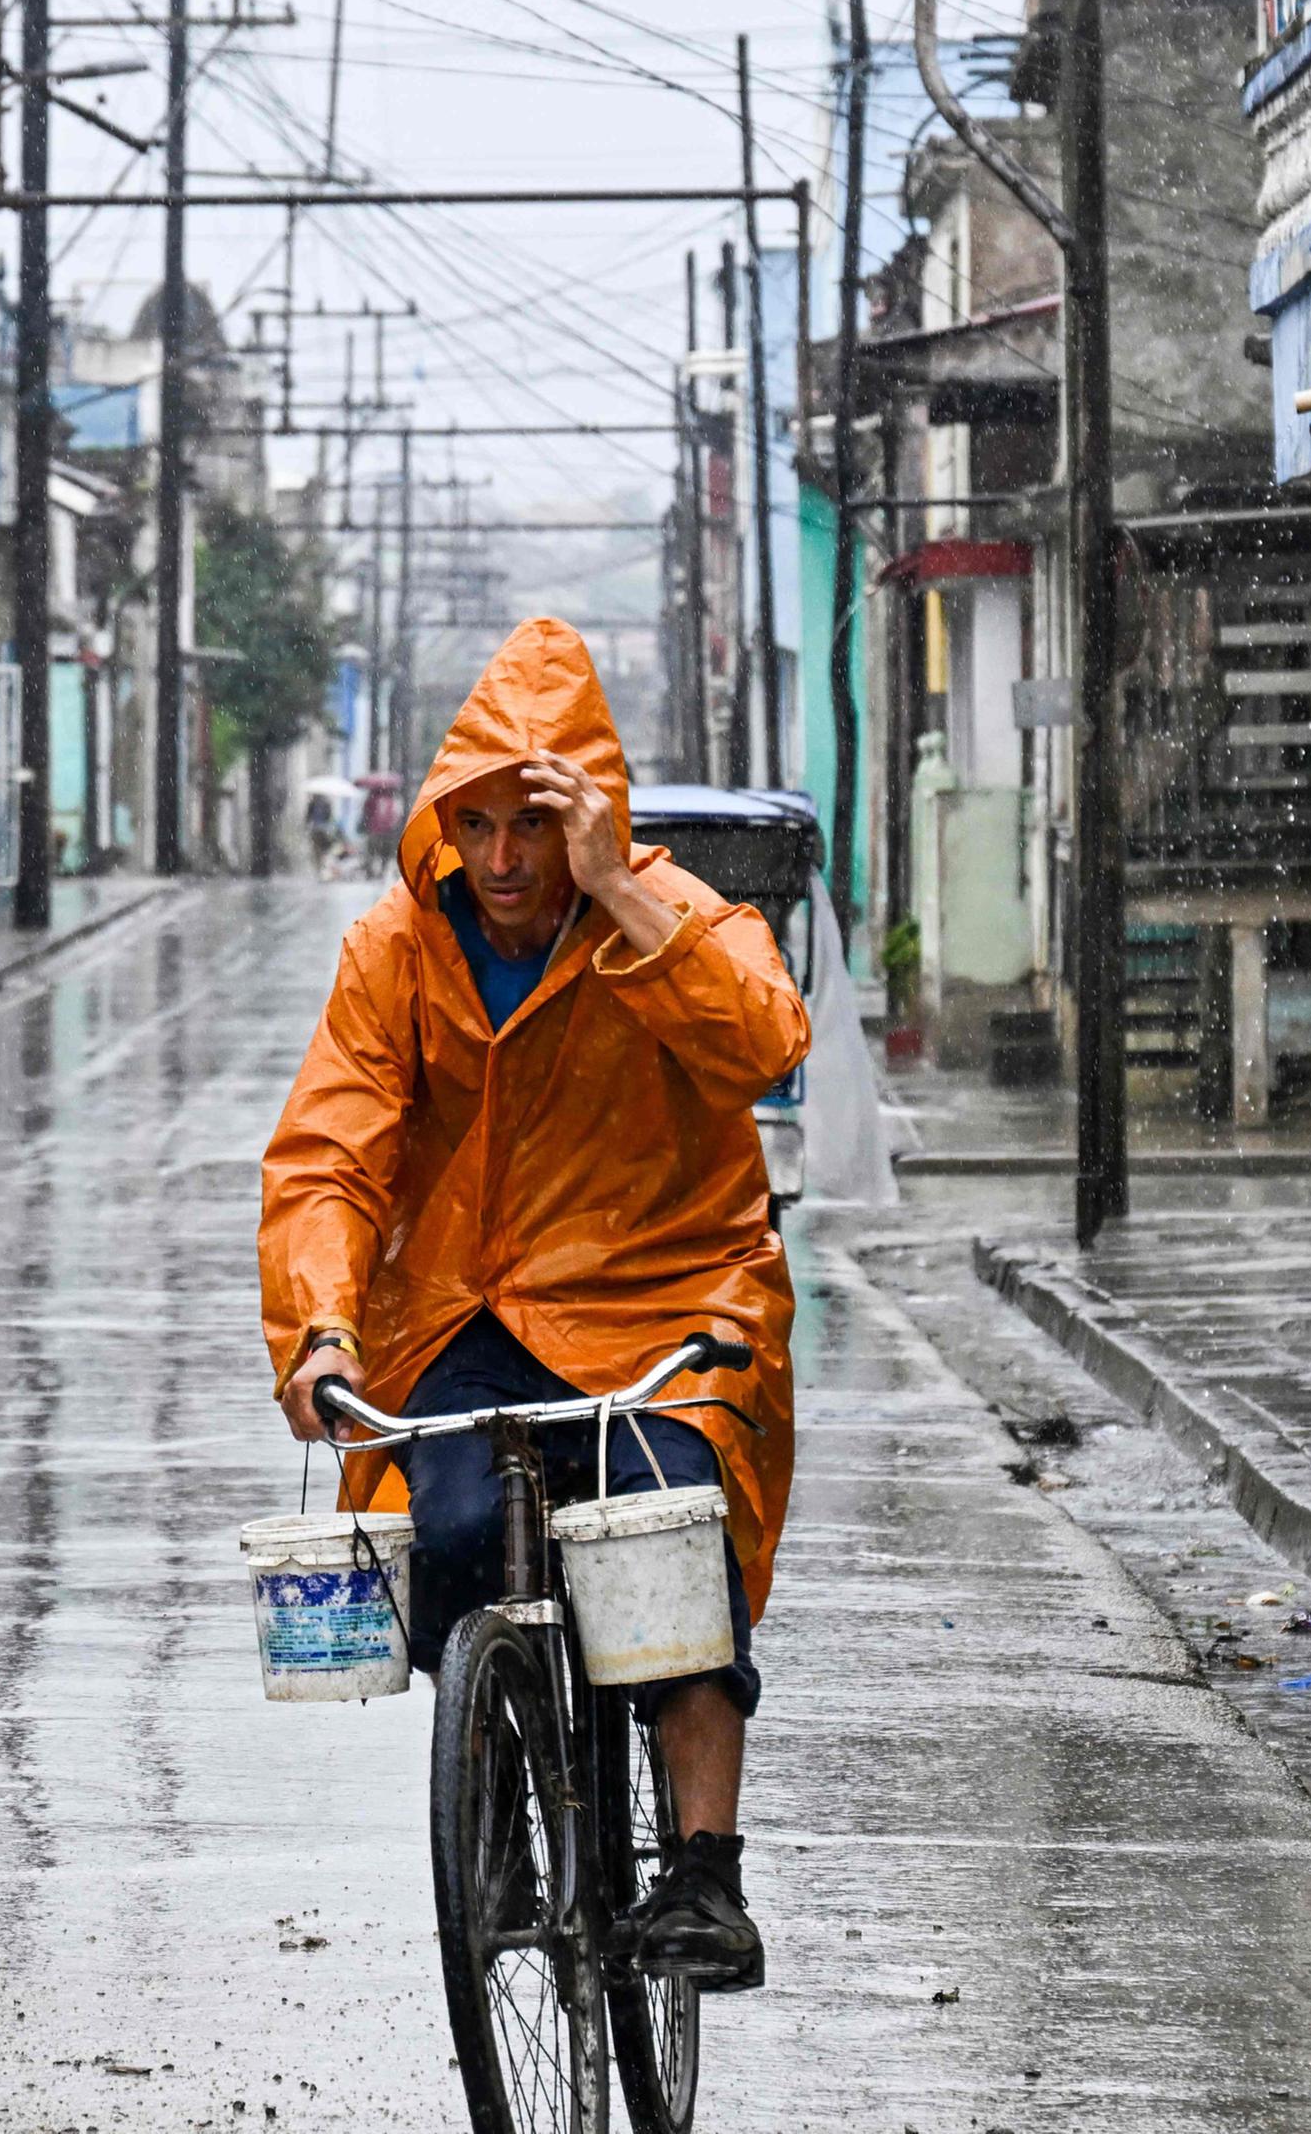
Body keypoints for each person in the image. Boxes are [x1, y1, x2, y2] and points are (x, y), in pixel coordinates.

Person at [259, 617, 809, 1992]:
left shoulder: (674, 916)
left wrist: (623, 893)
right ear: (443, 822)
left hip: (664, 1294)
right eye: (478, 826)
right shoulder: (393, 952)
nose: (504, 861)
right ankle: (498, 1786)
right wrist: (323, 1328)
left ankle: (703, 1874)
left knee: (668, 1554)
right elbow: (330, 1156)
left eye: (535, 826)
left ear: (589, 821)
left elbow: (764, 1038)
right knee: (444, 1547)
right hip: (461, 1318)